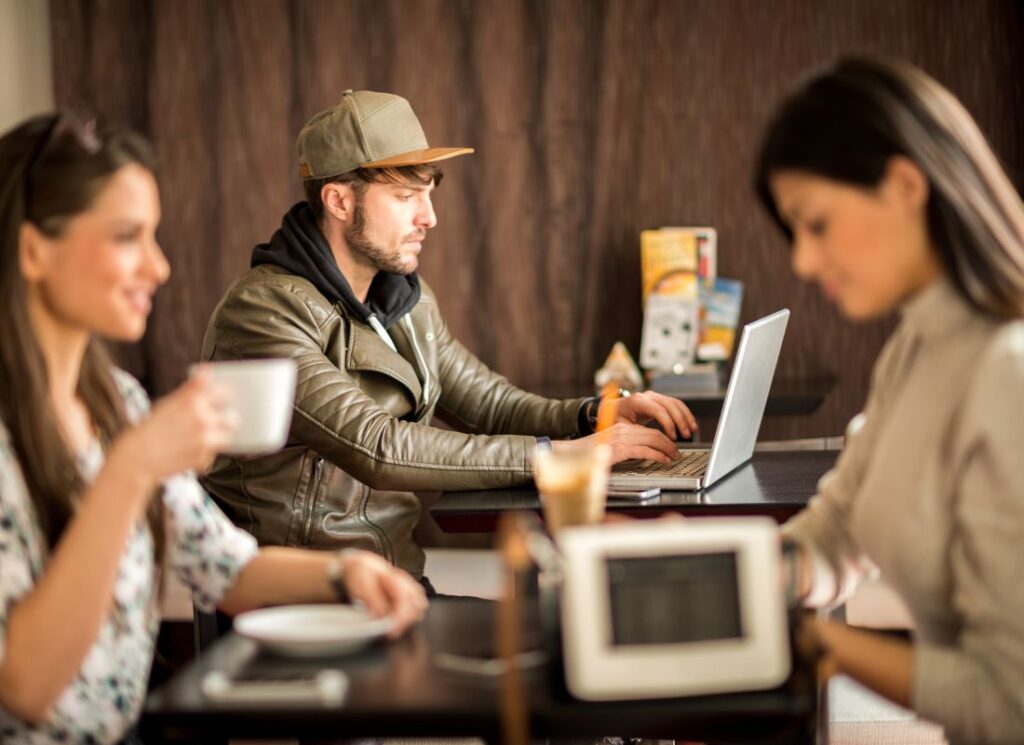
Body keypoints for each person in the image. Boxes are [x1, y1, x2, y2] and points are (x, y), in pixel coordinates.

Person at [0, 114, 427, 745]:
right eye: (127, 237)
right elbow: (25, 687)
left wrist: (343, 575)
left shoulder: (118, 404)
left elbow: (225, 568)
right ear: (34, 250)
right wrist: (129, 472)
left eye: (155, 236)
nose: (159, 267)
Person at [200, 89, 697, 582]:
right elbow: (378, 447)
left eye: (429, 193)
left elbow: (493, 406)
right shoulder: (263, 312)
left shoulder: (403, 300)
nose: (429, 218)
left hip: (395, 585)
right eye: (405, 196)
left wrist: (595, 415)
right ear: (339, 201)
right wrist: (559, 457)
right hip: (305, 598)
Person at [755, 56, 1024, 743]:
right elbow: (839, 529)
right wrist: (723, 571)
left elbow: (1008, 702)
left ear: (905, 184)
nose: (804, 264)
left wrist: (817, 644)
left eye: (815, 224)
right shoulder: (916, 345)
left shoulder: (1007, 374)